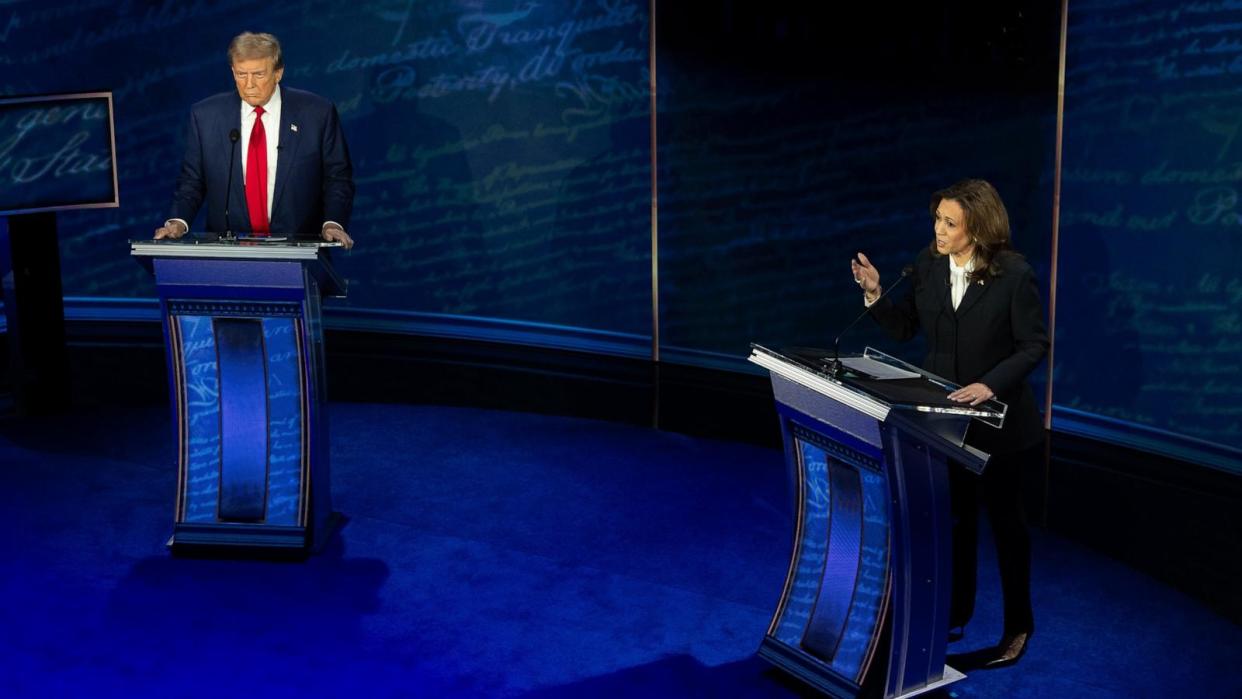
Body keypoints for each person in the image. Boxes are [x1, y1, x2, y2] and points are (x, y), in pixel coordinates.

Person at [850, 178, 1047, 670]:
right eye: (937, 219)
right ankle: (954, 612)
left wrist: (990, 385)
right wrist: (875, 296)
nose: (938, 230)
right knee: (955, 521)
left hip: (1000, 426)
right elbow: (905, 328)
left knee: (1007, 527)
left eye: (949, 223)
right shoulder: (929, 264)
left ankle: (1018, 627)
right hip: (945, 424)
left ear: (977, 229)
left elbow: (1033, 346)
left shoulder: (1014, 275)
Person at [154, 31, 355, 249]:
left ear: (278, 73)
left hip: (300, 251)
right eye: (241, 75)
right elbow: (192, 182)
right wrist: (178, 221)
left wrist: (333, 222)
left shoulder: (316, 113)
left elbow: (337, 177)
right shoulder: (205, 116)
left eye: (258, 75)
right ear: (233, 72)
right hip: (228, 255)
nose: (249, 84)